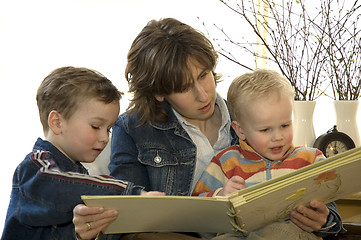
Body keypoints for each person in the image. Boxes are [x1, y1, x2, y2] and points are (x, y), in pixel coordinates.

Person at [73, 17, 239, 239]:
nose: (203, 94)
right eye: (184, 87)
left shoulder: (246, 116)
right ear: (158, 92)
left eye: (203, 75)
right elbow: (125, 220)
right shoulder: (134, 129)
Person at [1, 66, 163, 240]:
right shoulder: (37, 166)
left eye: (108, 129)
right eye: (95, 126)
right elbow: (60, 188)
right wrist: (129, 193)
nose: (104, 138)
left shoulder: (79, 174)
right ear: (57, 122)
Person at [192, 69, 345, 239]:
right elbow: (197, 218)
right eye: (265, 130)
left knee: (277, 233)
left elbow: (331, 218)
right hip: (238, 234)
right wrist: (220, 197)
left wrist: (324, 220)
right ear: (240, 131)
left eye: (285, 125)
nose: (278, 137)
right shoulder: (226, 162)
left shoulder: (311, 160)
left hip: (291, 233)